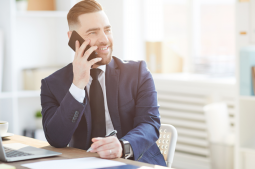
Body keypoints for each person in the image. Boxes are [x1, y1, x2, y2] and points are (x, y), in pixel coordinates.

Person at [40, 0, 166, 166]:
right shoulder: (52, 84)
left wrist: (123, 146)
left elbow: (150, 124)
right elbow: (56, 139)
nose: (105, 39)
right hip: (83, 164)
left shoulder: (138, 73)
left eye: (107, 30)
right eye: (93, 32)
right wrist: (77, 86)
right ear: (72, 38)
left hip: (134, 162)